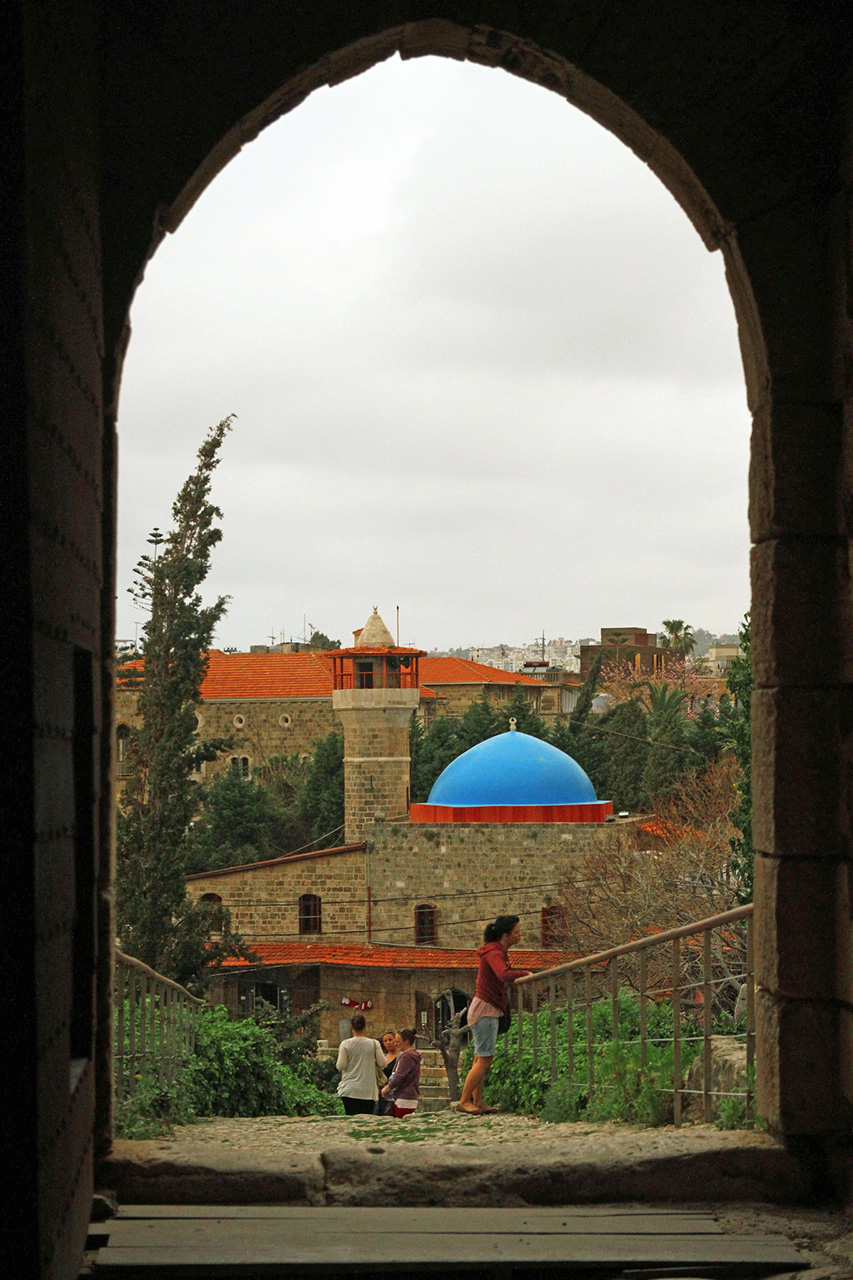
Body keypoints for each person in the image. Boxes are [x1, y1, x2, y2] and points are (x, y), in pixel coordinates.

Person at [456, 914, 532, 1116]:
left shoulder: (494, 951)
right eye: (516, 932)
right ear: (506, 935)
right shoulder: (495, 952)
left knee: (479, 1057)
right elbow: (504, 974)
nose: (519, 935)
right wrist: (524, 973)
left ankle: (478, 1101)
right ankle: (464, 1100)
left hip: (485, 1009)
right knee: (485, 1060)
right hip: (486, 1010)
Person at [335, 1013, 386, 1115]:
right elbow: (383, 1063)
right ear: (365, 1026)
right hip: (367, 1091)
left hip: (349, 1089)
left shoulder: (345, 1044)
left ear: (351, 1027)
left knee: (351, 1119)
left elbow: (340, 1066)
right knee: (365, 1121)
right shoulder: (374, 1044)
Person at [381, 1028, 421, 1119]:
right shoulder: (413, 1055)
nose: (396, 1043)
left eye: (398, 1041)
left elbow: (399, 1076)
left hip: (404, 1098)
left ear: (406, 1042)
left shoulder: (406, 1056)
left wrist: (386, 1088)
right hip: (410, 1096)